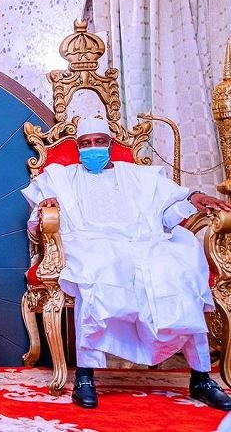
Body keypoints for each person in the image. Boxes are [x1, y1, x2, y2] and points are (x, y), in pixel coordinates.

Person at [22, 116, 231, 410]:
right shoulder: (61, 177)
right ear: (78, 148)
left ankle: (200, 378)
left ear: (110, 144)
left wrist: (193, 197)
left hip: (144, 243)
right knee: (92, 274)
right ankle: (85, 374)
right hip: (91, 245)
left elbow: (169, 211)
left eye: (98, 142)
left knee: (181, 272)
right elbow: (37, 223)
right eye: (85, 144)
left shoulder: (139, 176)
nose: (92, 149)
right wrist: (46, 205)